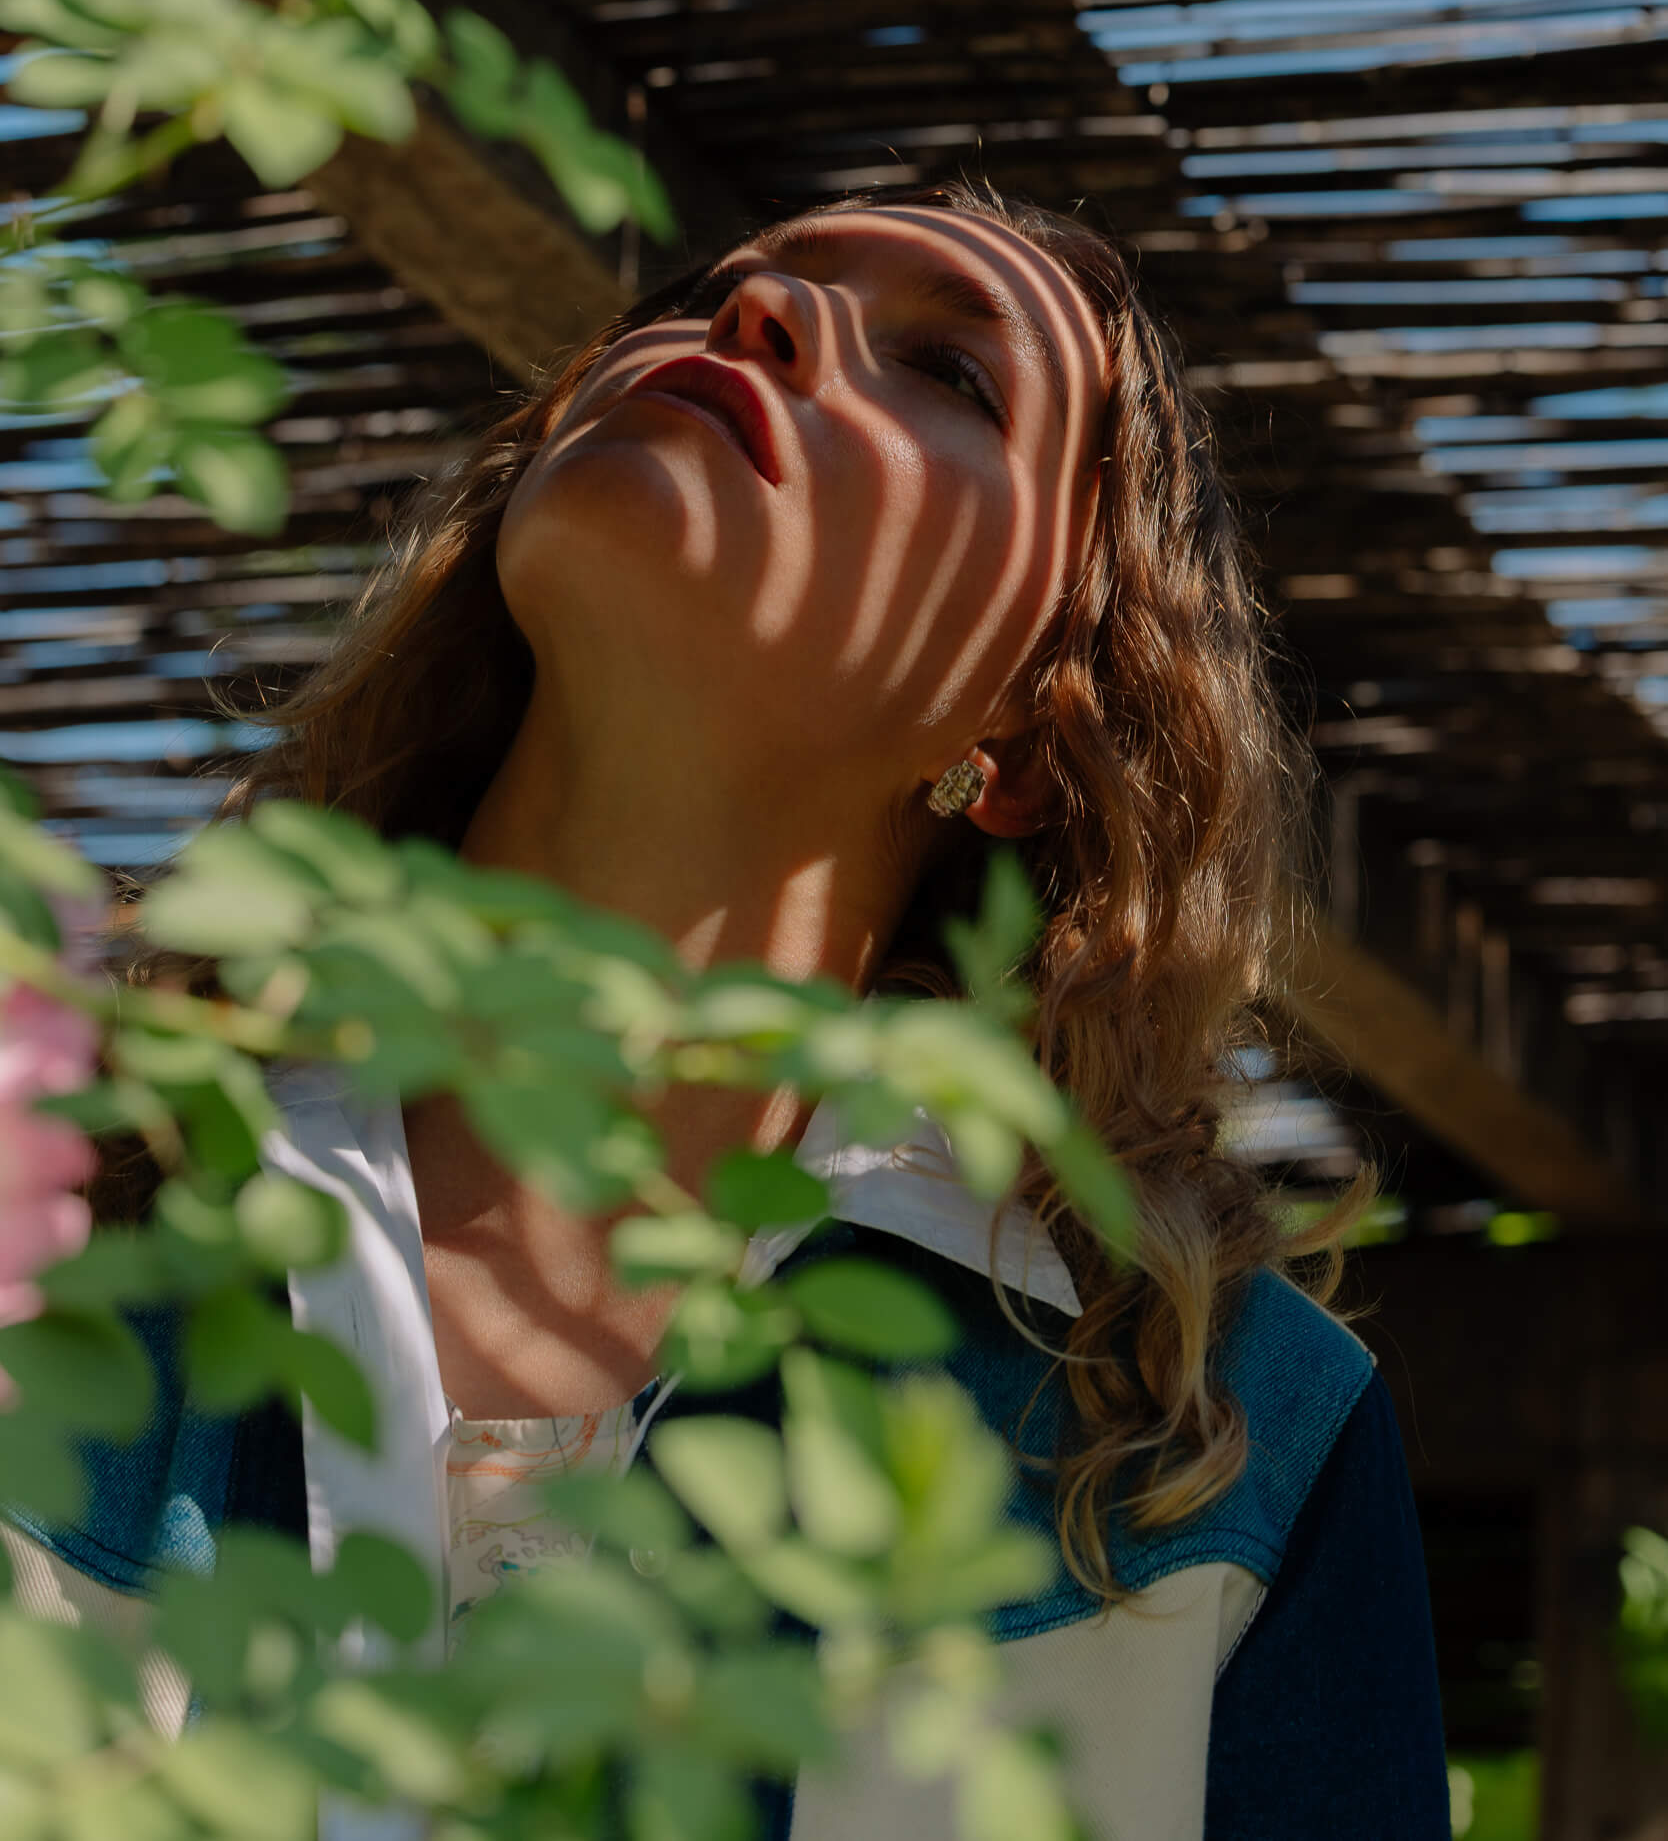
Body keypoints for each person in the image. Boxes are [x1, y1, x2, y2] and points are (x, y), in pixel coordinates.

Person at [1, 180, 1450, 1840]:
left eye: (950, 372)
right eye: (720, 292)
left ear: (1029, 733)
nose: (759, 316)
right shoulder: (51, 1167)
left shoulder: (1233, 1455)